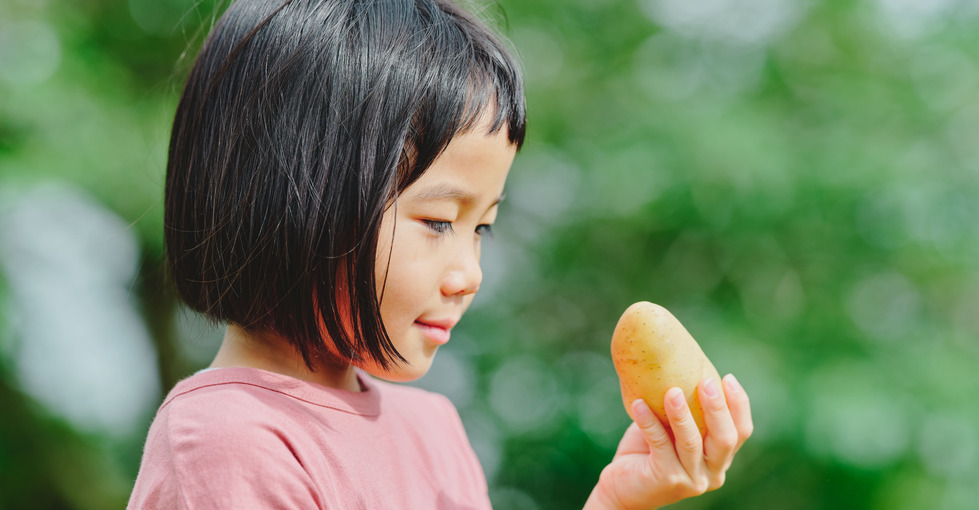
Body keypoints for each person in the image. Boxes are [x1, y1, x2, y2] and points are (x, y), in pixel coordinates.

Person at [127, 0, 754, 508]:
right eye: (437, 222)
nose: (469, 275)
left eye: (482, 228)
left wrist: (616, 501)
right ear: (290, 195)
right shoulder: (230, 440)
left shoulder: (435, 432)